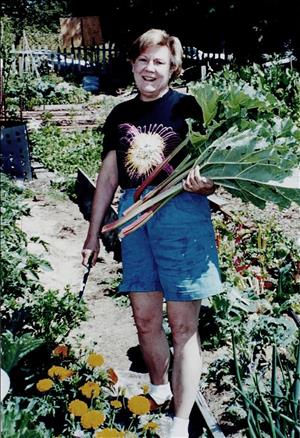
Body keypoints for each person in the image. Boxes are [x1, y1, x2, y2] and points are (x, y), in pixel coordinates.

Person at [82, 28, 222, 438]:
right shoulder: (119, 114)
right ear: (132, 64)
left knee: (182, 327)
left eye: (159, 62)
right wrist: (93, 234)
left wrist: (207, 185)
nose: (150, 68)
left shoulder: (190, 108)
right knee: (144, 320)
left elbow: (210, 172)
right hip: (134, 217)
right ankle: (158, 389)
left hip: (181, 215)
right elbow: (108, 178)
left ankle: (180, 422)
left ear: (172, 68)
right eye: (143, 60)